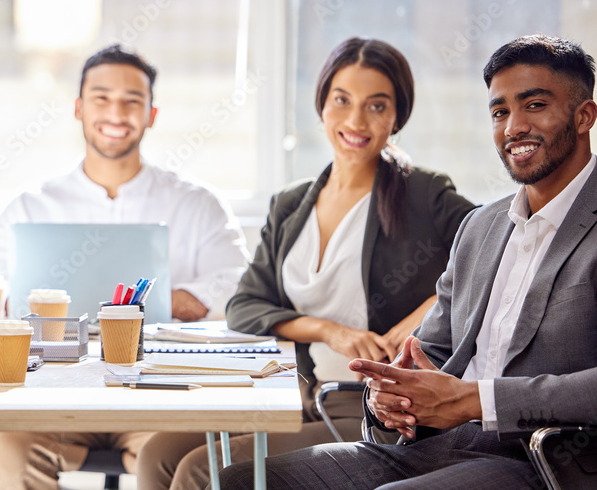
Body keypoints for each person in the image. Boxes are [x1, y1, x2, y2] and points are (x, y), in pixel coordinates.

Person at [218, 34, 597, 489]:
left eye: (534, 105)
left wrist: (478, 401)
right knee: (241, 480)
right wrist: (389, 393)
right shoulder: (482, 227)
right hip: (438, 444)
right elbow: (431, 351)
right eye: (500, 112)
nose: (513, 126)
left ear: (583, 116)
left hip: (545, 461)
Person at [136, 37, 476, 490]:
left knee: (202, 470)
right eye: (342, 100)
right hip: (294, 395)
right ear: (322, 106)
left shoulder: (424, 195)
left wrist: (424, 317)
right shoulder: (292, 204)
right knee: (157, 454)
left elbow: (493, 258)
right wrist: (329, 330)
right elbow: (246, 306)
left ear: (398, 117)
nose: (356, 120)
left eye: (377, 106)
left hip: (368, 408)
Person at [0, 44, 250, 490]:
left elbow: (238, 284)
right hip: (55, 394)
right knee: (10, 446)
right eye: (101, 98)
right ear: (79, 108)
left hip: (158, 393)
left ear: (152, 114)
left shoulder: (196, 203)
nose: (116, 113)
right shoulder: (32, 204)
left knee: (182, 456)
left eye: (132, 101)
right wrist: (10, 299)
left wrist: (173, 302)